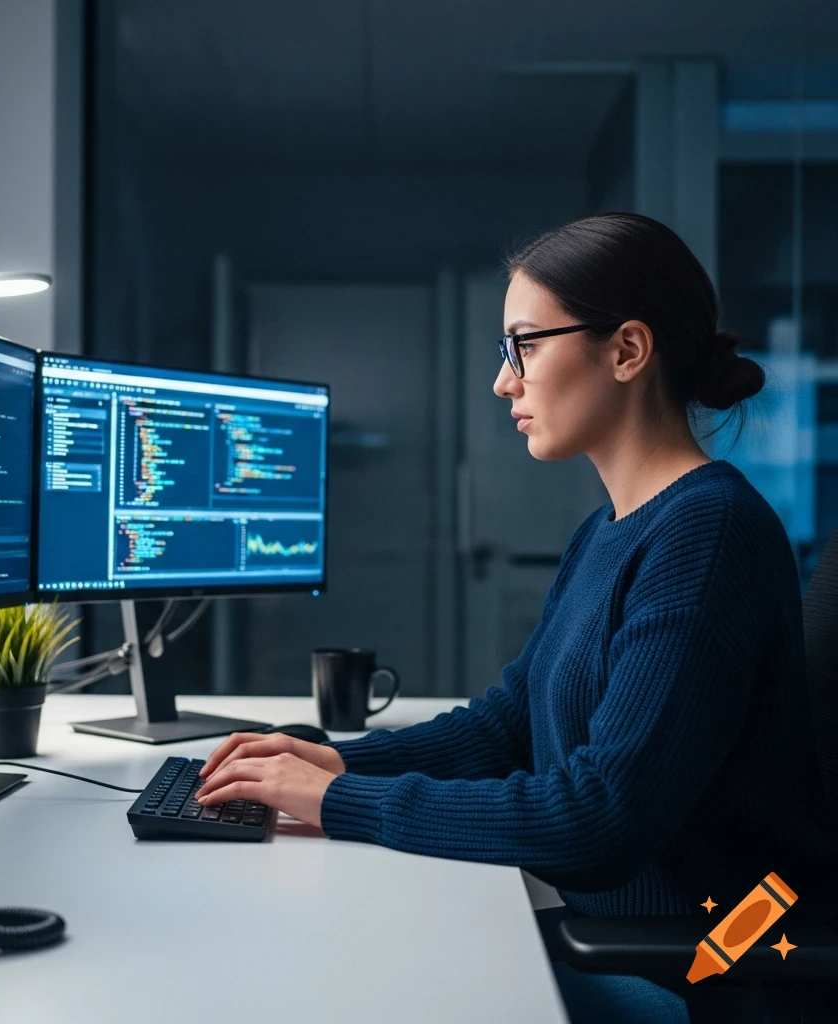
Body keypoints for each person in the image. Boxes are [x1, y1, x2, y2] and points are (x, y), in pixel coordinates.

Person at [197, 213, 838, 1023]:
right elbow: (507, 726)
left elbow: (599, 819)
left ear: (627, 351)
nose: (505, 381)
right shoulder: (610, 528)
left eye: (524, 345)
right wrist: (332, 763)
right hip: (618, 933)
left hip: (707, 971)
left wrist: (338, 803)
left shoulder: (707, 536)